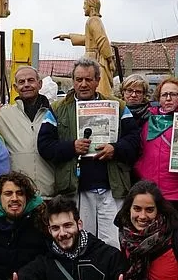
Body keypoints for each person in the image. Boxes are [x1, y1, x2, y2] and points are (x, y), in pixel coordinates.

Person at [38, 57, 141, 247]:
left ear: (97, 80)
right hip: (76, 189)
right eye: (79, 79)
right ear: (73, 80)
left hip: (111, 188)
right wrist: (71, 147)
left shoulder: (118, 106)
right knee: (81, 242)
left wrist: (115, 149)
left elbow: (135, 141)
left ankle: (113, 277)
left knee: (112, 244)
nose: (83, 84)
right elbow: (44, 145)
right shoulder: (57, 109)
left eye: (88, 79)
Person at [133, 76, 178, 228]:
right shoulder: (147, 118)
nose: (168, 98)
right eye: (164, 95)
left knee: (177, 237)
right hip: (152, 191)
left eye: (173, 94)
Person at [0, 65, 56, 197]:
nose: (26, 85)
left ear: (40, 84)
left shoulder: (55, 113)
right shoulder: (3, 115)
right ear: (15, 88)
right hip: (19, 196)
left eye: (31, 80)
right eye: (21, 82)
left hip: (50, 192)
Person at [54, 0, 118, 97]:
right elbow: (89, 39)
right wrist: (68, 36)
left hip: (95, 59)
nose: (83, 7)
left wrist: (110, 60)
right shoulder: (93, 20)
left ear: (91, 6)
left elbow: (102, 39)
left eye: (85, 4)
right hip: (92, 57)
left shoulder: (93, 20)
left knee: (99, 89)